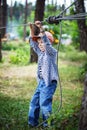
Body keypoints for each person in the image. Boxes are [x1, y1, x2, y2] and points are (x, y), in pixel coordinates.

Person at [28, 21, 58, 128]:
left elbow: (46, 42)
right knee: (34, 102)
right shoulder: (41, 53)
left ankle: (48, 125)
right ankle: (32, 123)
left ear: (48, 42)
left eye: (42, 43)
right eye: (39, 43)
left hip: (49, 83)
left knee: (44, 104)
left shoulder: (51, 52)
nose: (40, 45)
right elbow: (32, 42)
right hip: (41, 82)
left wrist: (41, 28)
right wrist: (32, 28)